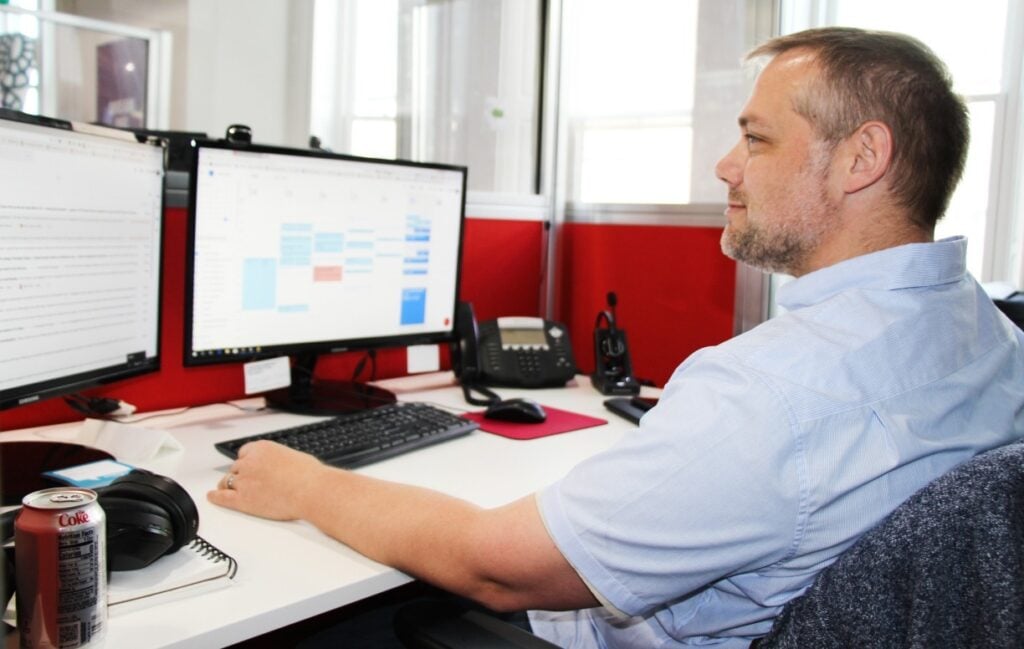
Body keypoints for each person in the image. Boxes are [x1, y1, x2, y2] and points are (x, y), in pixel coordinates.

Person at [208, 27, 1024, 648]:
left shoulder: (773, 391)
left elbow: (495, 564)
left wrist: (304, 481)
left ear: (862, 158)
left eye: (757, 137)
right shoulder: (988, 331)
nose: (726, 166)